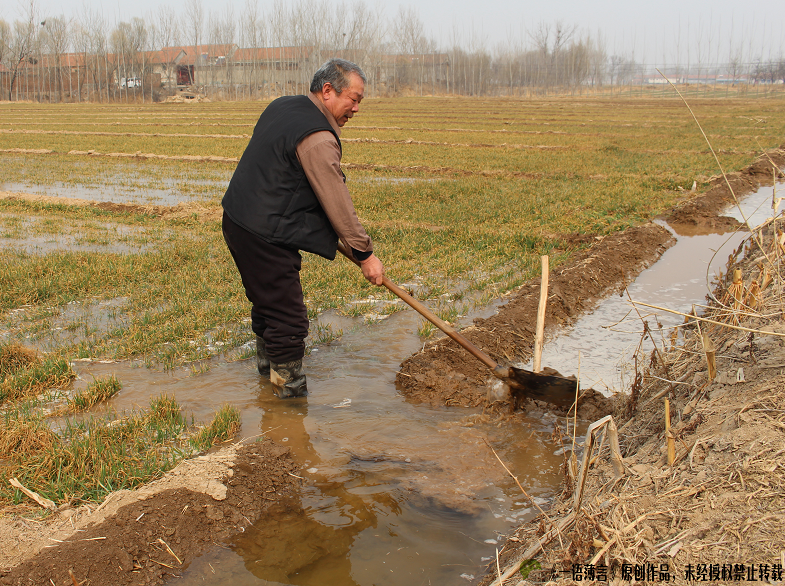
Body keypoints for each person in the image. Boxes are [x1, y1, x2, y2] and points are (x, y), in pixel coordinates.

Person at [222, 58, 384, 399]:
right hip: (264, 233)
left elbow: (282, 172)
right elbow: (337, 201)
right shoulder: (318, 138)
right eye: (353, 99)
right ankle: (288, 406)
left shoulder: (284, 106)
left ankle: (268, 383)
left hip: (237, 218)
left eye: (359, 102)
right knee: (288, 317)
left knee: (268, 305)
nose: (356, 108)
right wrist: (365, 254)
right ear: (328, 91)